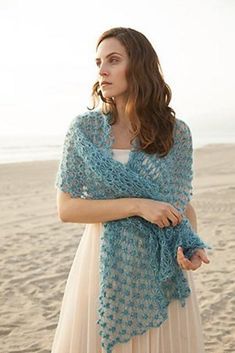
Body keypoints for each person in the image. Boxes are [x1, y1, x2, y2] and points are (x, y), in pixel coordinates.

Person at [51, 27, 210, 353]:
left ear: (137, 66)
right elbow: (67, 208)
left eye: (113, 60)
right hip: (101, 266)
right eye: (98, 62)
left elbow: (182, 204)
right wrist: (137, 205)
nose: (102, 71)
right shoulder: (84, 131)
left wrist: (191, 244)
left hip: (160, 269)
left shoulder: (175, 133)